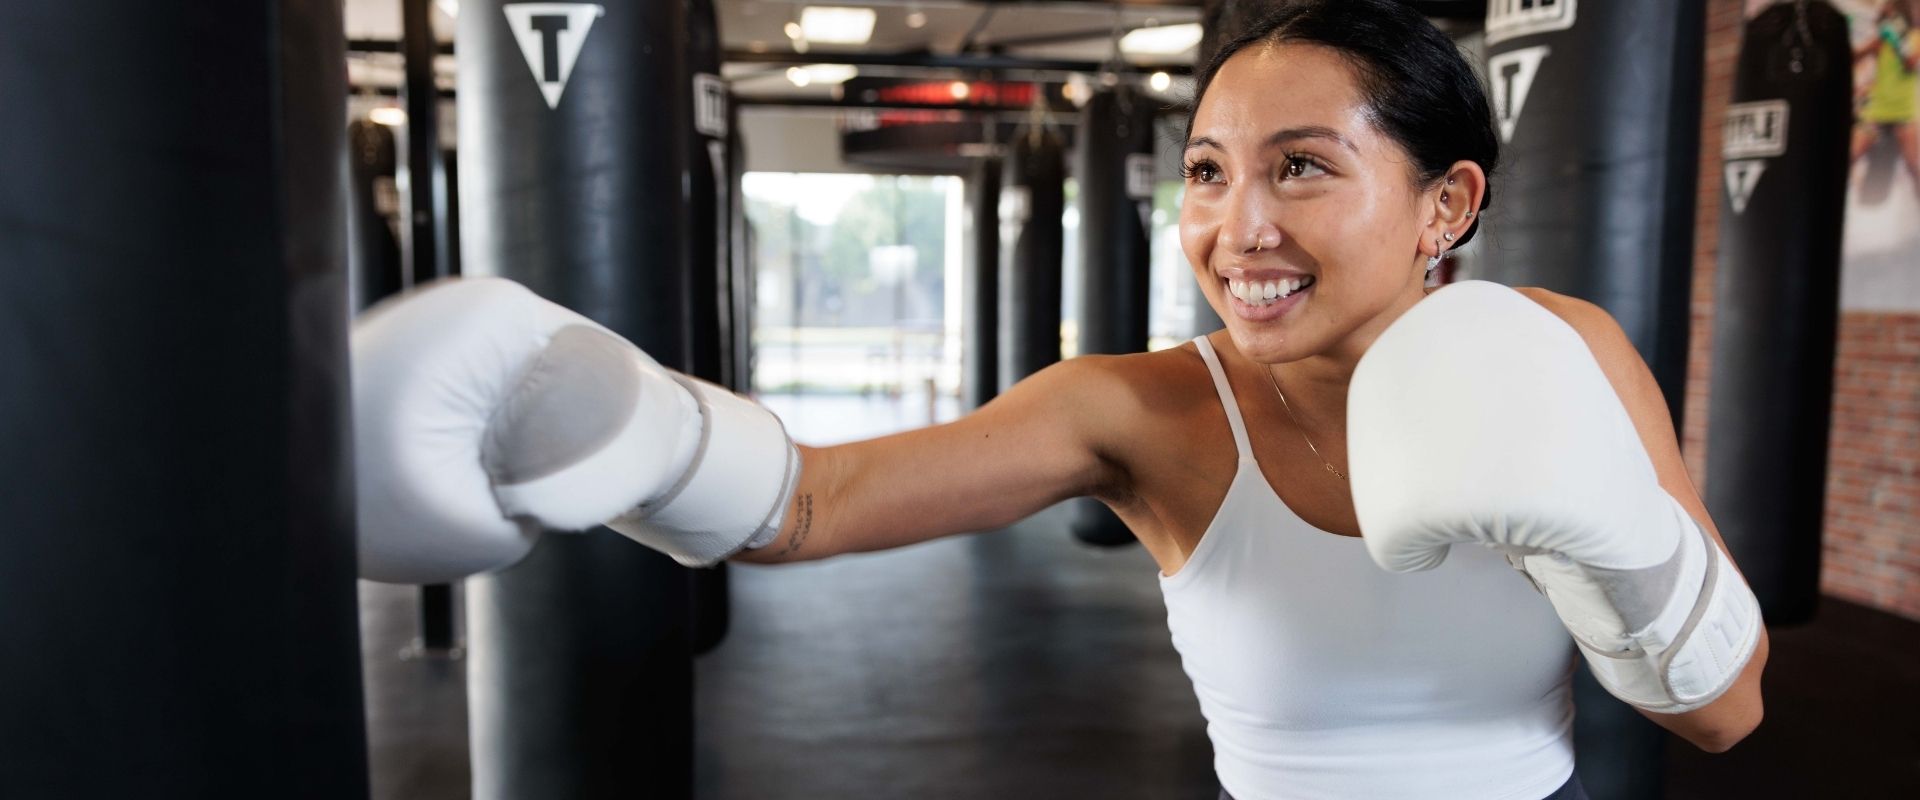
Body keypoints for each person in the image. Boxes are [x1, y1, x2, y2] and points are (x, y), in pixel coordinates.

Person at [351, 2, 1767, 798]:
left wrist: (1610, 538)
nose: (1238, 228)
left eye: (1301, 166)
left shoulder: (1564, 347)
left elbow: (1727, 713)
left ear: (1446, 202)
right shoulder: (1138, 410)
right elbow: (814, 504)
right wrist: (602, 414)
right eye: (1206, 172)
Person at [1852, 0, 1920, 198]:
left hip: (1903, 112)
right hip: (1877, 110)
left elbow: (1910, 62)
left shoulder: (1915, 38)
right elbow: (1856, 55)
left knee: (1914, 166)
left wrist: (1897, 38)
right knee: (1851, 154)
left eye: (1889, 13)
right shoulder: (1881, 39)